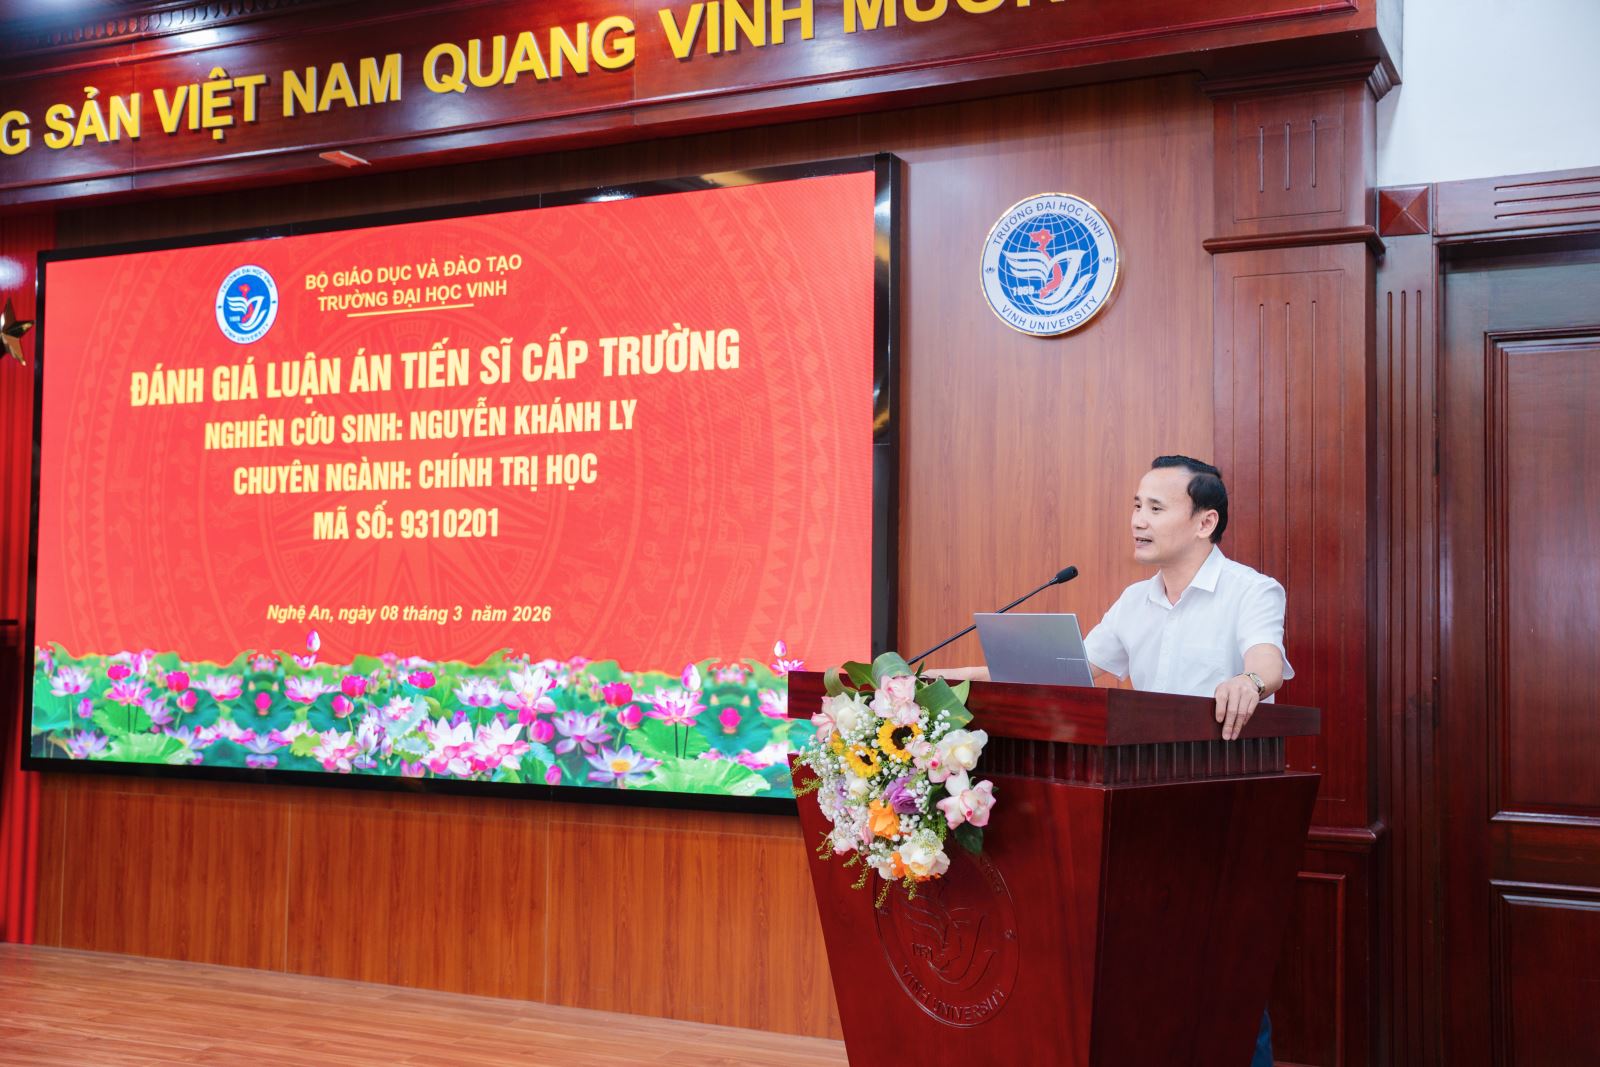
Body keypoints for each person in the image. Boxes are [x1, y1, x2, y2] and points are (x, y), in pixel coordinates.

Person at [933, 454, 1292, 1065]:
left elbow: (1267, 661)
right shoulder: (1135, 600)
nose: (1138, 520)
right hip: (1141, 803)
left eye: (1156, 508)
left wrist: (1249, 683)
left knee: (1224, 962)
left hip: (1222, 804)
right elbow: (1071, 673)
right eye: (1136, 506)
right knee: (1151, 966)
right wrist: (954, 675)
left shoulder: (1250, 590)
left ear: (1205, 521)